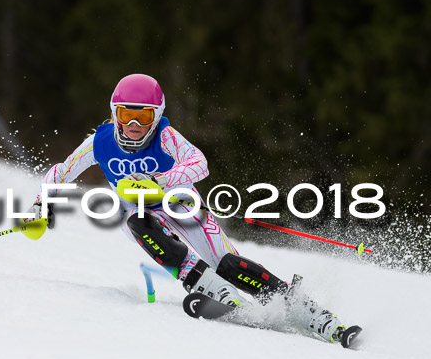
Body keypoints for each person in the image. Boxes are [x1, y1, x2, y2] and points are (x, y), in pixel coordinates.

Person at [26, 74, 347, 343]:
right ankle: (206, 284)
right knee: (136, 221)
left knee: (228, 263)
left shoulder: (165, 136)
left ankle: (300, 308)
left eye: (145, 116)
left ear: (158, 115)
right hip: (140, 213)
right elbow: (62, 170)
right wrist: (42, 204)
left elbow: (199, 163)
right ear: (114, 114)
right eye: (126, 115)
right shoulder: (100, 141)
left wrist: (161, 180)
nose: (135, 124)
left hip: (182, 204)